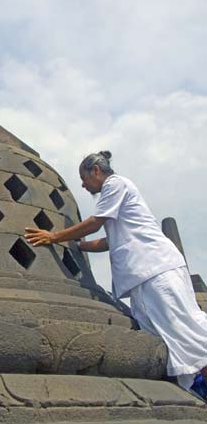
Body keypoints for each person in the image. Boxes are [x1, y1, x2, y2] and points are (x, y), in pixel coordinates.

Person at [25, 150, 207, 399]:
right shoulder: (118, 201)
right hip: (144, 274)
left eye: (83, 177)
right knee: (166, 334)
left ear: (96, 171)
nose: (82, 184)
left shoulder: (116, 185)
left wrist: (54, 236)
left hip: (156, 267)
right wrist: (78, 246)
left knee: (184, 329)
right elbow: (108, 240)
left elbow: (95, 222)